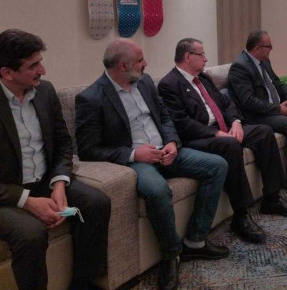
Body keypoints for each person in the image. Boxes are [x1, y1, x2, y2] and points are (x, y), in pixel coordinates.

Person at [75, 39, 228, 290]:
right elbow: (88, 150)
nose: (146, 63)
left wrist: (172, 142)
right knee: (157, 190)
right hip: (138, 162)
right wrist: (134, 154)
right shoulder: (91, 98)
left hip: (167, 151)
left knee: (217, 165)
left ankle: (195, 240)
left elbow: (165, 117)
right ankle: (171, 254)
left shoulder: (145, 82)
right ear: (123, 65)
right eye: (140, 60)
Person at [0, 29, 110, 290]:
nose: (43, 70)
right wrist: (27, 201)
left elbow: (63, 143)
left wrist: (59, 184)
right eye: (33, 66)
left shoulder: (45, 92)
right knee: (31, 233)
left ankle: (84, 284)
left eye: (40, 62)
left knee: (96, 203)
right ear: (7, 73)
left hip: (44, 181)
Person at [158, 39, 287, 244]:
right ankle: (241, 215)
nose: (206, 59)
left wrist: (236, 122)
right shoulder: (169, 84)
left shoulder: (203, 78)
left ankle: (272, 198)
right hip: (199, 138)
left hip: (224, 128)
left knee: (263, 132)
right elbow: (181, 123)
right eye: (201, 54)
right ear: (187, 56)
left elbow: (226, 102)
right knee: (230, 145)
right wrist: (218, 134)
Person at [228, 30, 287, 196]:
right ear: (258, 48)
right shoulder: (240, 67)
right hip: (258, 116)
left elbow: (278, 85)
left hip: (275, 109)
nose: (271, 50)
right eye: (269, 46)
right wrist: (277, 109)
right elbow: (248, 102)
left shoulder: (264, 61)